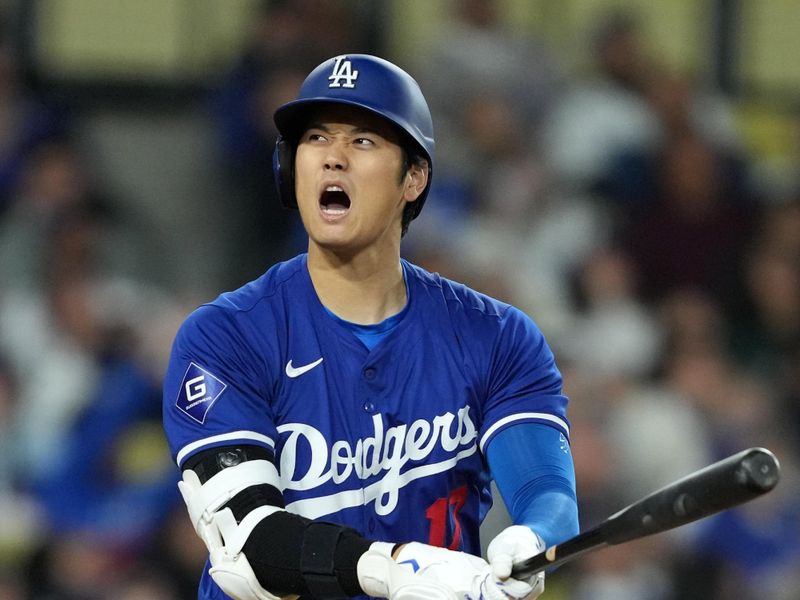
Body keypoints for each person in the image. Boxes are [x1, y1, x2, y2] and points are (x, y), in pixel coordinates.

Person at [163, 54, 579, 600]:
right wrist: (394, 569)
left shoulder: (497, 336)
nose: (333, 158)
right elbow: (246, 545)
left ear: (414, 177)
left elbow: (547, 491)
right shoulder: (225, 336)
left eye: (362, 141)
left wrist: (530, 535)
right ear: (290, 168)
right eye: (315, 138)